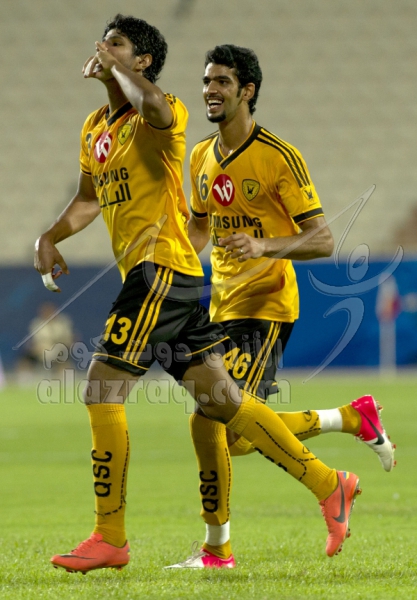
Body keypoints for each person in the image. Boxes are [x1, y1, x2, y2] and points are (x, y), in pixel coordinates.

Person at [35, 18, 361, 575]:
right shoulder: (94, 127)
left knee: (100, 389)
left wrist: (115, 70)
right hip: (178, 277)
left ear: (142, 62)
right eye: (103, 41)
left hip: (159, 271)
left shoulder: (164, 111)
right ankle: (329, 484)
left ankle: (109, 537)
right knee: (220, 404)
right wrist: (50, 236)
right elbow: (88, 198)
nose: (103, 48)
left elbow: (153, 106)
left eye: (117, 44)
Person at [166, 45, 395, 569]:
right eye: (206, 81)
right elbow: (200, 226)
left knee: (213, 421)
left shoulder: (278, 156)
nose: (210, 90)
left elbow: (322, 239)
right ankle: (349, 419)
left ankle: (225, 546)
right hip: (221, 305)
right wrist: (171, 262)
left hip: (266, 305)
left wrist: (263, 245)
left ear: (247, 91)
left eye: (222, 82)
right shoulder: (200, 156)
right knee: (230, 429)